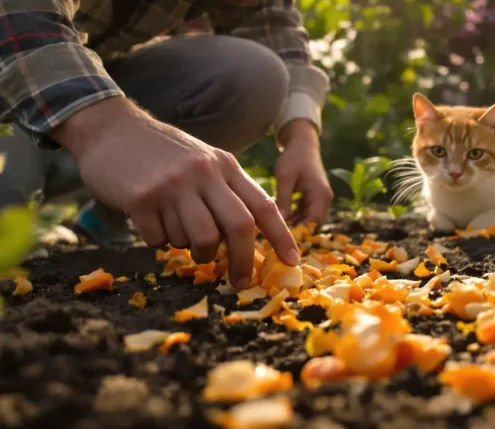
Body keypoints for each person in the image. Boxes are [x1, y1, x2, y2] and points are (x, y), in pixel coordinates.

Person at [0, 0, 334, 290]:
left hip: (84, 72)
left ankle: (108, 217)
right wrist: (104, 128)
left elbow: (267, 19)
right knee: (7, 237)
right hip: (13, 71)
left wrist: (301, 135)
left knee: (253, 76)